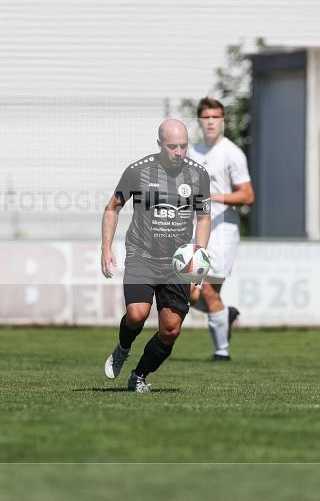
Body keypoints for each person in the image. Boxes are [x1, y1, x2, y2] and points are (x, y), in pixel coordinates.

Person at [101, 119, 212, 393]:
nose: (178, 152)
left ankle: (139, 375)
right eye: (172, 146)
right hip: (142, 254)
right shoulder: (138, 171)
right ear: (159, 144)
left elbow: (204, 216)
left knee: (171, 330)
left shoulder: (199, 175)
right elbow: (112, 207)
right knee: (137, 315)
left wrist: (198, 253)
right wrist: (106, 247)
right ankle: (123, 347)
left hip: (176, 262)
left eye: (183, 146)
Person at [187, 97, 255, 361]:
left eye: (216, 117)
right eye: (206, 117)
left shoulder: (232, 153)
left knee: (208, 291)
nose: (211, 122)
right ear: (200, 121)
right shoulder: (193, 152)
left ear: (223, 120)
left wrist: (215, 197)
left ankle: (221, 352)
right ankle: (224, 315)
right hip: (198, 229)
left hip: (223, 232)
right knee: (188, 293)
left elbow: (248, 195)